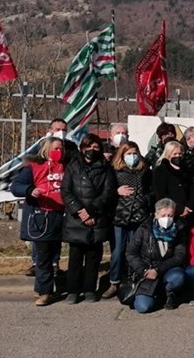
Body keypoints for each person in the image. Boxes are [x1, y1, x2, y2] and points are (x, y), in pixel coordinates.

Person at [61, 133, 118, 304]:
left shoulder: (106, 168)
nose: (92, 150)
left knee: (94, 257)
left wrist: (91, 211)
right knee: (75, 257)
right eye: (89, 147)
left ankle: (89, 289)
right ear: (82, 148)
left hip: (97, 218)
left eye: (96, 147)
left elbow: (108, 193)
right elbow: (66, 191)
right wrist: (80, 211)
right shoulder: (72, 167)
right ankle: (73, 290)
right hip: (77, 219)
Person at [10, 137, 66, 306]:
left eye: (61, 149)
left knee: (55, 255)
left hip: (61, 216)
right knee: (43, 257)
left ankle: (52, 286)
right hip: (41, 217)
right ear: (46, 149)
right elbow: (16, 186)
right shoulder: (33, 167)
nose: (59, 152)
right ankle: (44, 292)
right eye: (56, 148)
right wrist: (30, 190)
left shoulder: (67, 166)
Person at [24, 118, 76, 276]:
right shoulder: (40, 146)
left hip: (60, 200)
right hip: (42, 203)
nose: (62, 132)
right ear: (50, 130)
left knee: (56, 235)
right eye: (58, 129)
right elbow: (31, 163)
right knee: (40, 237)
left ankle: (55, 263)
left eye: (64, 129)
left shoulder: (71, 147)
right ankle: (36, 263)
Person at [102, 141, 152, 299]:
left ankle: (133, 279)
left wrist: (144, 199)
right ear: (122, 155)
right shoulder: (114, 170)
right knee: (118, 251)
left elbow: (151, 191)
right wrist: (117, 191)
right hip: (120, 216)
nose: (132, 156)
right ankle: (114, 282)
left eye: (135, 153)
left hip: (140, 215)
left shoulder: (144, 171)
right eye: (129, 154)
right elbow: (107, 191)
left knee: (136, 250)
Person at [125, 198, 187, 313]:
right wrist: (143, 270)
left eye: (170, 215)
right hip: (146, 272)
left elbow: (179, 256)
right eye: (163, 215)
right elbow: (131, 252)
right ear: (156, 214)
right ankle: (157, 296)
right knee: (143, 307)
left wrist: (158, 270)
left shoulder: (179, 229)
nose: (167, 219)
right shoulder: (144, 229)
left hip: (167, 270)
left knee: (178, 277)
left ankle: (168, 292)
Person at [152, 141, 194, 227]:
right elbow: (160, 194)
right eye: (175, 154)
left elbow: (193, 189)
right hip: (170, 213)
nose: (178, 156)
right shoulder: (161, 170)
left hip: (188, 213)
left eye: (180, 154)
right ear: (168, 154)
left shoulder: (186, 170)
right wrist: (180, 209)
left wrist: (189, 207)